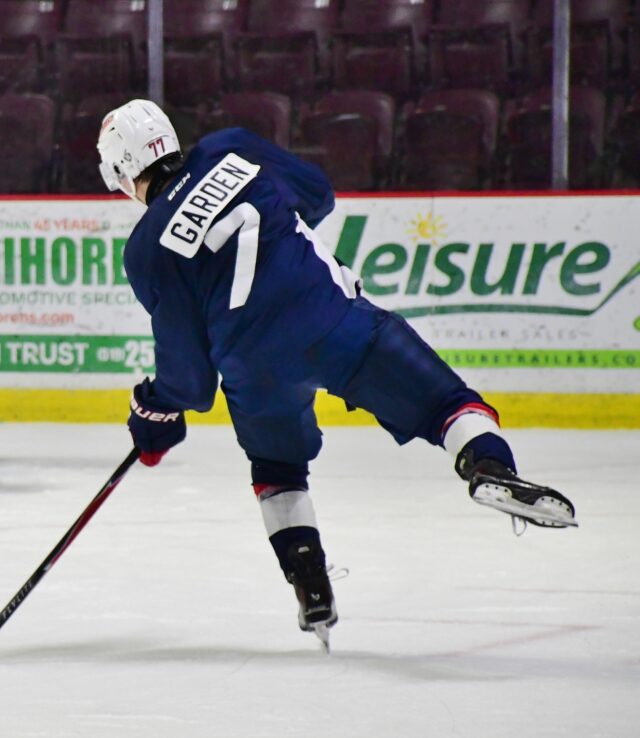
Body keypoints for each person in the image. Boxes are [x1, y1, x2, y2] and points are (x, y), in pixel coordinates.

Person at [98, 100, 577, 648]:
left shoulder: (147, 250)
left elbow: (191, 382)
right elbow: (318, 194)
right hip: (332, 322)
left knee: (277, 468)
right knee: (445, 404)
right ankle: (488, 464)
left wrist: (154, 410)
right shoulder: (229, 146)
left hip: (255, 370)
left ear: (120, 173)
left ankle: (310, 582)